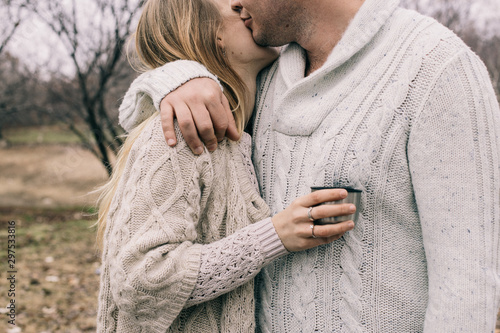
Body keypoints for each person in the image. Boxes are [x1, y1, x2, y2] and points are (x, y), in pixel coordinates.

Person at [118, 0, 500, 331]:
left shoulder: (436, 67)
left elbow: (467, 286)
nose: (237, 3)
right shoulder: (264, 78)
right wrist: (176, 77)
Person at [95, 0, 357, 332]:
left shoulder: (250, 122)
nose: (244, 6)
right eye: (233, 9)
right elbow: (140, 282)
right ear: (211, 35)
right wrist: (274, 236)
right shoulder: (181, 132)